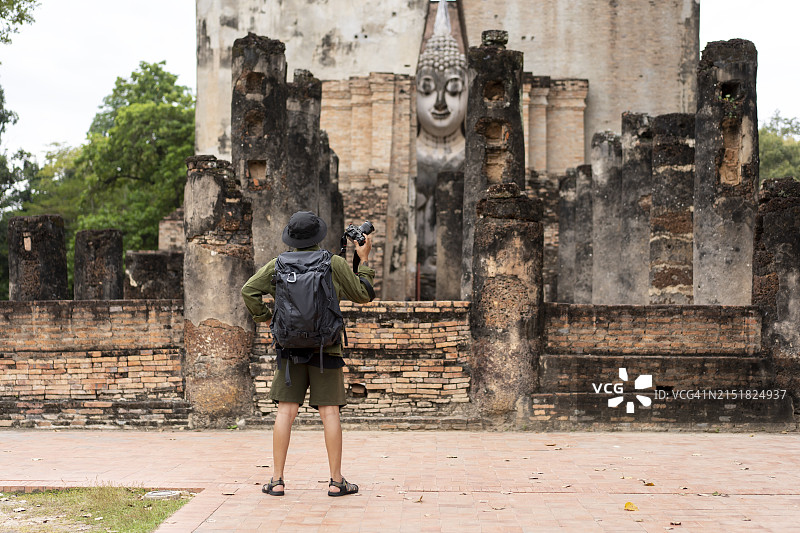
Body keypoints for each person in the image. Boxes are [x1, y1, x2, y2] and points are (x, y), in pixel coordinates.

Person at [241, 210, 375, 497]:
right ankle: (336, 482)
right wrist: (363, 261)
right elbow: (364, 294)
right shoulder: (333, 263)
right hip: (326, 347)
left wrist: (267, 319)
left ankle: (276, 480)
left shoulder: (277, 265)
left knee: (285, 412)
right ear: (318, 236)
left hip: (289, 348)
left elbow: (248, 290)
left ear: (291, 238)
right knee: (330, 413)